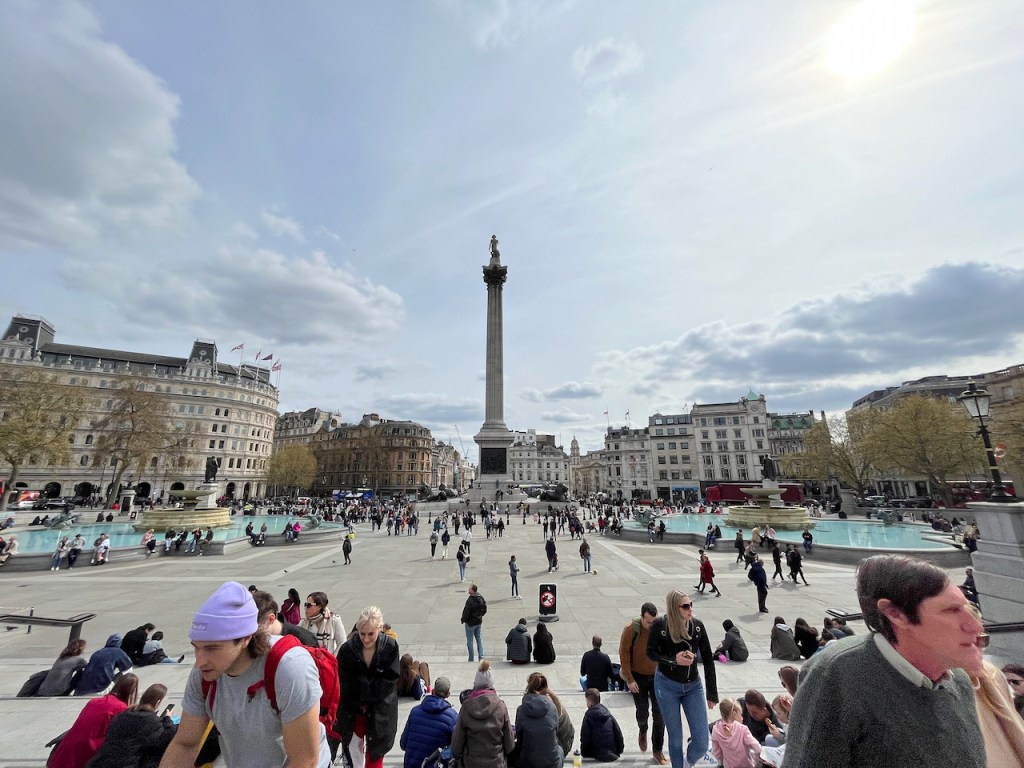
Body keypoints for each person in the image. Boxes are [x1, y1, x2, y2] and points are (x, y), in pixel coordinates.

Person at [781, 554, 986, 767]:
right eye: (951, 610)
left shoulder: (959, 681)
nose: (976, 626)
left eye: (968, 608)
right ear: (895, 614)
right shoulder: (836, 677)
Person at [159, 581, 331, 768]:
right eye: (196, 647)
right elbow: (185, 744)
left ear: (246, 638)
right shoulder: (204, 673)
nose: (199, 662)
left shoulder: (289, 667)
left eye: (212, 648)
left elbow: (304, 760)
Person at [646, 589, 719, 768]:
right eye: (685, 606)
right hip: (667, 685)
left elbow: (708, 660)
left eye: (691, 605)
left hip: (693, 685)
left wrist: (712, 693)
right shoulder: (661, 625)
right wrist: (673, 660)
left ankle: (688, 762)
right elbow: (651, 652)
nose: (690, 609)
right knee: (676, 738)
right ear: (674, 608)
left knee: (702, 742)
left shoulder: (697, 626)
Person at [336, 605, 401, 768]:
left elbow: (390, 680)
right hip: (354, 710)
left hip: (381, 710)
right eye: (362, 634)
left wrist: (363, 688)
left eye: (371, 634)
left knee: (375, 758)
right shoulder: (347, 650)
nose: (365, 639)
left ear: (380, 629)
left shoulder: (390, 646)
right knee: (353, 755)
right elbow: (342, 681)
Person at [50, 673, 139, 768]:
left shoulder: (94, 701)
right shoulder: (121, 708)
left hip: (64, 753)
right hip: (88, 754)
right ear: (132, 692)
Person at [87, 682, 177, 768]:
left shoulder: (123, 714)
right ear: (157, 702)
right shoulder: (151, 721)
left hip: (100, 762)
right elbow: (166, 738)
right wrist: (167, 719)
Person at [618, 602, 666, 763]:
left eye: (653, 621)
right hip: (637, 677)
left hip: (657, 677)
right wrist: (629, 679)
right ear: (641, 617)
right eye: (648, 622)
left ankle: (657, 750)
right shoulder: (631, 629)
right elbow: (624, 654)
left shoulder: (660, 628)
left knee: (660, 715)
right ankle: (643, 729)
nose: (651, 625)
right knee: (642, 712)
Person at [450, 660, 514, 767]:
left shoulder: (466, 707)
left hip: (471, 763)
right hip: (496, 763)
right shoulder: (501, 707)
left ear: (476, 683)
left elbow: (456, 747)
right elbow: (510, 745)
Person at [399, 676, 458, 768]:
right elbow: (456, 748)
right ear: (448, 694)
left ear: (433, 691)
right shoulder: (452, 717)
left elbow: (403, 744)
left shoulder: (415, 711)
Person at [511, 679, 564, 768]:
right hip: (552, 764)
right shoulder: (553, 708)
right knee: (559, 747)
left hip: (527, 764)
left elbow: (520, 738)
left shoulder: (521, 710)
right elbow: (555, 731)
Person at [251, 589, 319, 646]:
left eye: (254, 627)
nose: (249, 633)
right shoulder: (254, 641)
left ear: (271, 619)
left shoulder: (304, 640)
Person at [710, 698, 761, 768]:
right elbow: (757, 747)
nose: (742, 718)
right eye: (740, 714)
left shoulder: (716, 730)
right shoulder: (743, 729)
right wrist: (757, 759)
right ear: (734, 714)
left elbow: (717, 753)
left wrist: (723, 761)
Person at [580, 688, 624, 762]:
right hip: (613, 753)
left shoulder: (588, 716)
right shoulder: (609, 715)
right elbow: (618, 733)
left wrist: (585, 754)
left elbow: (585, 737)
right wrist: (619, 750)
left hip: (596, 754)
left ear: (589, 702)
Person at [461, 584, 487, 662]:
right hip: (478, 622)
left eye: (469, 589)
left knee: (470, 641)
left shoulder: (470, 601)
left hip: (470, 623)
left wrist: (463, 620)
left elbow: (466, 612)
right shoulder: (480, 598)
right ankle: (481, 656)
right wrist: (480, 615)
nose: (468, 590)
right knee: (479, 638)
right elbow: (485, 608)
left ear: (472, 591)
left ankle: (471, 658)